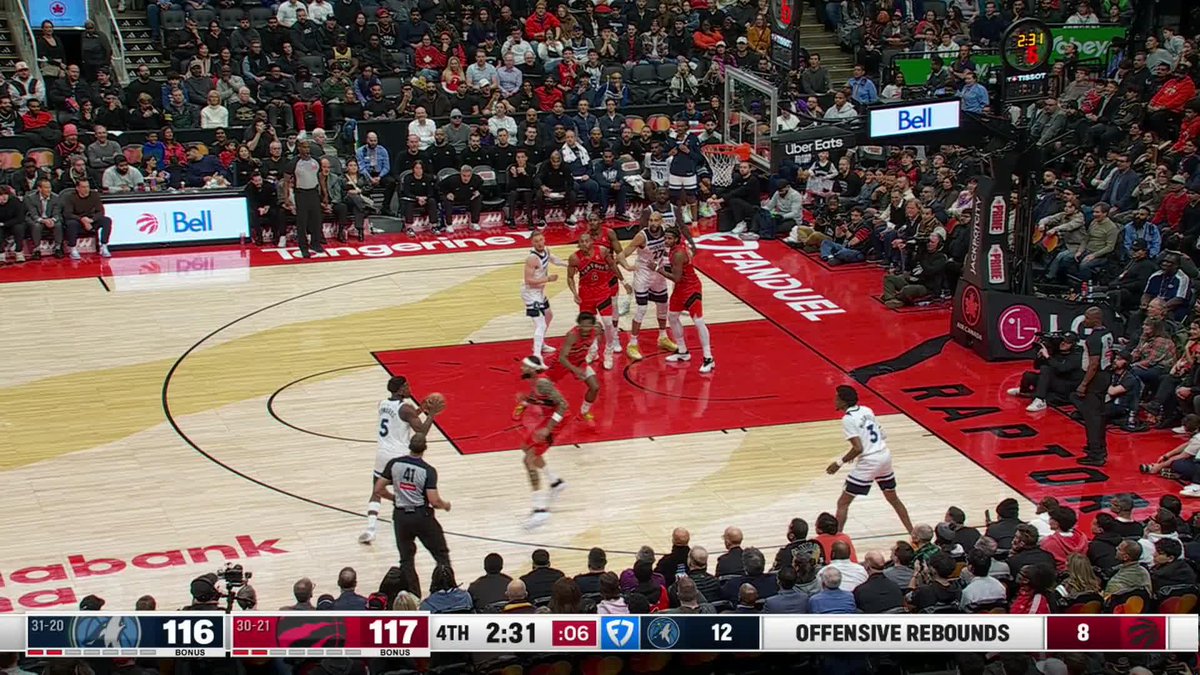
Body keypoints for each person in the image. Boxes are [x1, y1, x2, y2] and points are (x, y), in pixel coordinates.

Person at [360, 376, 442, 545]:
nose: (409, 388)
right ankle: (414, 523)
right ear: (400, 389)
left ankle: (370, 529)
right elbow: (421, 432)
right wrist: (431, 414)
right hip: (400, 456)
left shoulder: (382, 404)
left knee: (376, 491)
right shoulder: (406, 408)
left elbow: (401, 419)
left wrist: (420, 409)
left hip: (382, 454)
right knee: (410, 491)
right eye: (407, 386)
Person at [826, 385, 914, 534]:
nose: (834, 399)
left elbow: (858, 448)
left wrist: (839, 463)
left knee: (843, 503)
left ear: (843, 401)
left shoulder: (848, 419)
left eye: (836, 397)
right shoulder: (867, 410)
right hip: (884, 455)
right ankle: (913, 533)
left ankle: (837, 539)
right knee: (893, 498)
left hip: (870, 462)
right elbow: (882, 434)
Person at [373, 432, 452, 598]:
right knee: (441, 554)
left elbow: (378, 489)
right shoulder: (428, 470)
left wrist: (394, 498)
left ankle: (413, 596)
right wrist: (445, 505)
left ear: (409, 446)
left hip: (401, 516)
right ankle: (446, 590)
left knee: (406, 559)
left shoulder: (394, 464)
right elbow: (434, 500)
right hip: (421, 516)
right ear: (425, 448)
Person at [513, 354, 570, 530]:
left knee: (528, 460)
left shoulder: (542, 383)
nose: (522, 368)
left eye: (525, 366)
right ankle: (556, 482)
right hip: (548, 419)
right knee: (526, 447)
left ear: (533, 369)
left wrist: (548, 429)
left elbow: (563, 405)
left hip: (555, 422)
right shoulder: (535, 382)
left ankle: (540, 510)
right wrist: (526, 400)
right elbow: (543, 399)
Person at [618, 211, 678, 361]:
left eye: (656, 220)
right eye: (650, 220)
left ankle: (663, 337)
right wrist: (627, 266)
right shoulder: (642, 236)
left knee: (663, 306)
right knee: (641, 309)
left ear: (661, 221)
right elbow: (621, 255)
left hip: (658, 272)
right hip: (643, 273)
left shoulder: (666, 232)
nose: (653, 223)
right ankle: (632, 344)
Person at [567, 231, 626, 370]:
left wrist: (623, 281)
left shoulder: (603, 251)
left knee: (608, 323)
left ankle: (608, 352)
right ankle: (593, 350)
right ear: (578, 244)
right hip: (586, 294)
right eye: (581, 242)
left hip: (602, 291)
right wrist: (574, 293)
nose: (584, 244)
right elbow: (570, 277)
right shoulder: (574, 258)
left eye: (586, 241)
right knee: (588, 326)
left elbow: (613, 266)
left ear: (592, 241)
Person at [659, 227, 715, 373]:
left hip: (691, 288)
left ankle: (708, 358)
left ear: (676, 239)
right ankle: (683, 351)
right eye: (665, 238)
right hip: (681, 289)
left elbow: (676, 278)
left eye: (670, 238)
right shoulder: (676, 248)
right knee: (672, 317)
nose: (666, 241)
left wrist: (658, 270)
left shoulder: (678, 253)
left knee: (698, 321)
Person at [1006, 332, 1085, 412]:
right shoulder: (1056, 351)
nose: (1063, 344)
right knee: (1028, 375)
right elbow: (1037, 367)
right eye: (1062, 341)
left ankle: (1040, 400)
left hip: (1066, 384)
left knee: (1046, 369)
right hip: (1055, 380)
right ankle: (1023, 391)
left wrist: (1048, 357)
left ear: (1073, 344)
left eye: (1067, 342)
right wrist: (1040, 356)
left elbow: (1062, 368)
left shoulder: (1077, 354)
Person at [1076, 307, 1115, 466]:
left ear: (1096, 319)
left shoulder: (1093, 339)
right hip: (1106, 375)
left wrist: (1084, 384)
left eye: (1087, 317)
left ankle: (1096, 453)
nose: (1084, 320)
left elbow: (1093, 364)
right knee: (1099, 414)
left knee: (1092, 417)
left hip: (1096, 378)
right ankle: (1099, 447)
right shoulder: (1108, 333)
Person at [522, 232, 568, 357]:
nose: (539, 243)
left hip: (540, 291)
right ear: (532, 243)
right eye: (536, 241)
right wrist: (548, 279)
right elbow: (528, 280)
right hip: (530, 293)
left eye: (541, 240)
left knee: (548, 315)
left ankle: (541, 343)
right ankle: (537, 355)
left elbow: (555, 260)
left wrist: (568, 265)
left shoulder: (546, 250)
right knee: (540, 324)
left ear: (544, 239)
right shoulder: (532, 259)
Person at [284, 140, 325, 258]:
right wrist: (286, 197)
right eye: (304, 147)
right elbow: (286, 181)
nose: (307, 149)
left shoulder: (316, 160)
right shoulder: (293, 163)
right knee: (302, 221)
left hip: (314, 192)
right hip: (301, 193)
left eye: (308, 147)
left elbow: (321, 178)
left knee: (317, 220)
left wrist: (325, 193)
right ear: (299, 148)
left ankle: (315, 243)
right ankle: (303, 247)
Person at [62, 179, 112, 260]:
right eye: (83, 187)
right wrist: (82, 219)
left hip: (90, 220)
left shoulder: (94, 195)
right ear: (77, 188)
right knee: (71, 223)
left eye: (88, 187)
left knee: (106, 220)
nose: (86, 189)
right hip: (77, 221)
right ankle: (73, 248)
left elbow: (100, 212)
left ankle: (104, 246)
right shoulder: (71, 197)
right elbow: (68, 214)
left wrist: (91, 220)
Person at [20, 177, 63, 260]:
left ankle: (58, 248)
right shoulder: (30, 198)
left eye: (50, 187)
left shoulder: (56, 197)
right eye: (46, 188)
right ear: (39, 189)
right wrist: (43, 221)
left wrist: (52, 220)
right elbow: (33, 214)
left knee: (58, 224)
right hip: (36, 218)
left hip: (50, 218)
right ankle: (37, 250)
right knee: (37, 225)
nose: (49, 190)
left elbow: (57, 213)